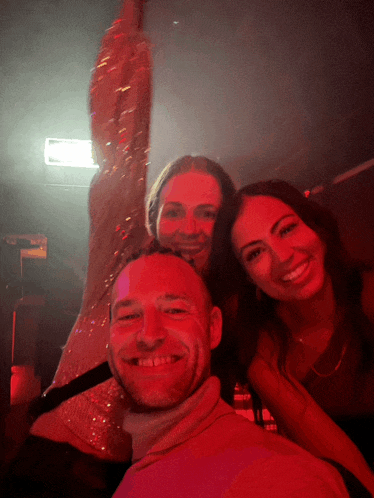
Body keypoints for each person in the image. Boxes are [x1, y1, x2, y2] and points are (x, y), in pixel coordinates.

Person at [26, 0, 234, 473]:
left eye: (207, 213)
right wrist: (130, 19)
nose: (187, 228)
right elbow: (120, 142)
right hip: (58, 468)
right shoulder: (121, 264)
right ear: (152, 216)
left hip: (152, 476)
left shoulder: (225, 304)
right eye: (174, 211)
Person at [109, 247, 351, 497]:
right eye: (128, 316)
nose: (149, 335)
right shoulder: (141, 472)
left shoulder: (277, 478)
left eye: (175, 311)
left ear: (213, 328)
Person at [208, 179, 374, 494]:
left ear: (317, 228)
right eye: (256, 253)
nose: (283, 256)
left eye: (287, 229)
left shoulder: (368, 298)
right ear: (246, 275)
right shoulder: (260, 348)